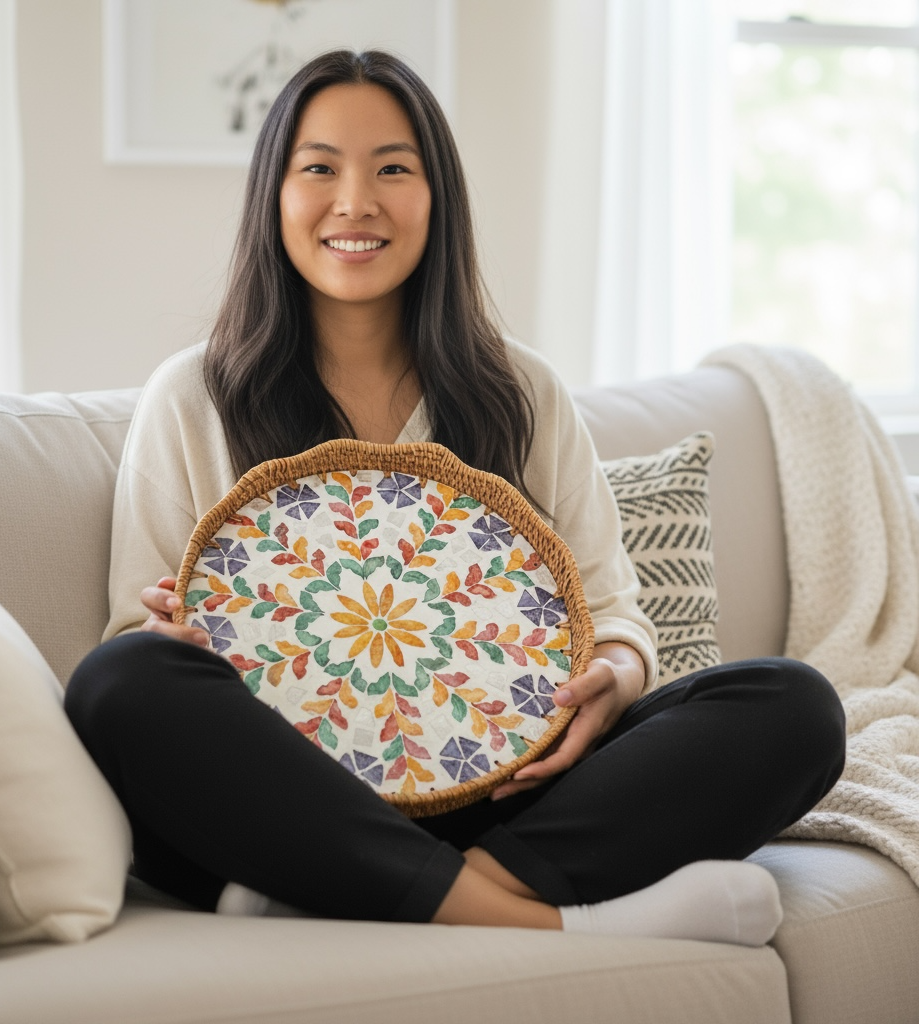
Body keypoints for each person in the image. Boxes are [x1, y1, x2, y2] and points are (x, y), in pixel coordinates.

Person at [65, 49, 846, 943]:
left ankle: (353, 894)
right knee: (119, 684)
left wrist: (615, 677)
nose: (355, 201)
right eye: (318, 168)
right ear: (272, 196)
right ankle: (559, 922)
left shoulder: (522, 392)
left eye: (393, 169)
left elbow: (616, 613)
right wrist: (173, 634)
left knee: (793, 706)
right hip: (285, 796)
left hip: (501, 794)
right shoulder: (195, 395)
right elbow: (137, 634)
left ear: (439, 199)